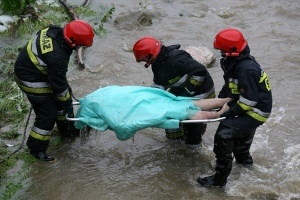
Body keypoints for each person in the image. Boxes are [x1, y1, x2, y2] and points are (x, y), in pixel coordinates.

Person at [197, 28, 273, 187]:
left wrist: (229, 112)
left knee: (224, 135)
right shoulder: (233, 62)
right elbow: (230, 86)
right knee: (240, 141)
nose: (220, 54)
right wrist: (218, 103)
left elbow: (249, 102)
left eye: (222, 50)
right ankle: (246, 166)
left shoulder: (246, 68)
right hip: (250, 105)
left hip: (255, 111)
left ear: (231, 50)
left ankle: (219, 180)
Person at [14, 20, 94, 161]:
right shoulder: (57, 56)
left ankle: (67, 131)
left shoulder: (55, 31)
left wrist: (64, 98)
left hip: (37, 70)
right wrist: (67, 101)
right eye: (80, 46)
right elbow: (58, 85)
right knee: (48, 113)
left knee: (60, 101)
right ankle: (36, 149)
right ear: (72, 42)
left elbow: (58, 78)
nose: (78, 48)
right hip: (29, 78)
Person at [132, 36, 215, 148]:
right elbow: (160, 83)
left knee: (191, 128)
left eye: (144, 59)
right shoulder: (157, 63)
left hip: (202, 93)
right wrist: (150, 97)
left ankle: (194, 152)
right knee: (171, 125)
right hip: (181, 92)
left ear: (150, 55)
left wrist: (187, 93)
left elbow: (200, 72)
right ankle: (176, 147)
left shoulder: (177, 58)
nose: (145, 62)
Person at [74, 85, 230, 141]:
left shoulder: (89, 107)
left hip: (146, 107)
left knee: (186, 111)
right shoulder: (97, 95)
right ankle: (227, 100)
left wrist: (220, 113)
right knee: (189, 104)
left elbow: (121, 124)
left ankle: (222, 109)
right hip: (139, 98)